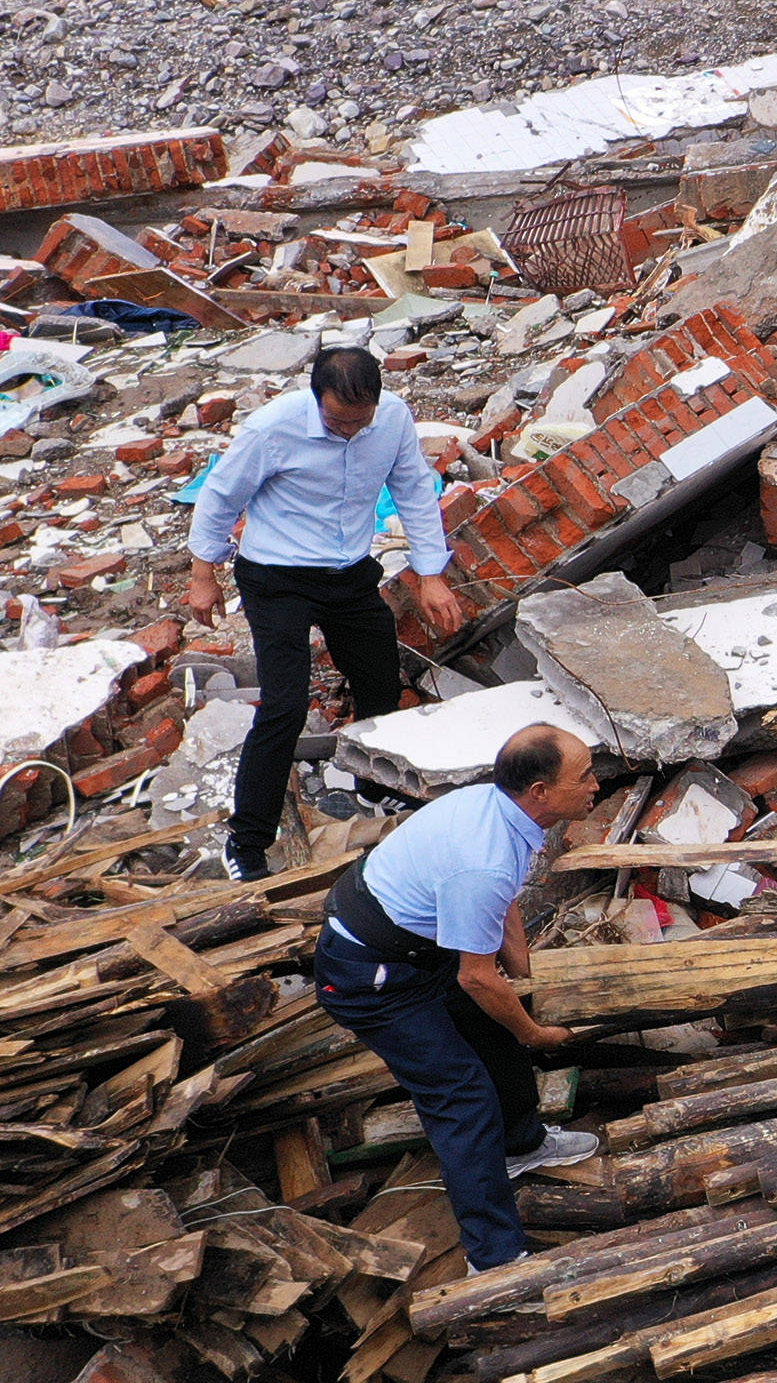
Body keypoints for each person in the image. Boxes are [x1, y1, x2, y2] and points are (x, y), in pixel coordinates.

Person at [314, 724, 604, 1272]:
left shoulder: (505, 815)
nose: (596, 785)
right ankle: (494, 1257)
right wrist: (534, 1032)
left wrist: (525, 984)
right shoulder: (483, 858)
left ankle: (521, 1144)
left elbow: (504, 907)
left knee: (494, 1033)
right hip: (371, 977)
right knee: (461, 1095)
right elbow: (476, 976)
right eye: (584, 776)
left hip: (420, 946)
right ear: (540, 791)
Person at [186, 346, 468, 882]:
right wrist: (204, 575)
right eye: (337, 421)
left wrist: (431, 575)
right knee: (285, 708)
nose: (347, 432)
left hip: (349, 573)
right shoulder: (273, 428)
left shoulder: (392, 420)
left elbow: (412, 491)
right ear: (316, 399)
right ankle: (247, 841)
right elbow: (221, 496)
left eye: (358, 423)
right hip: (277, 578)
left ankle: (374, 785)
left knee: (381, 682)